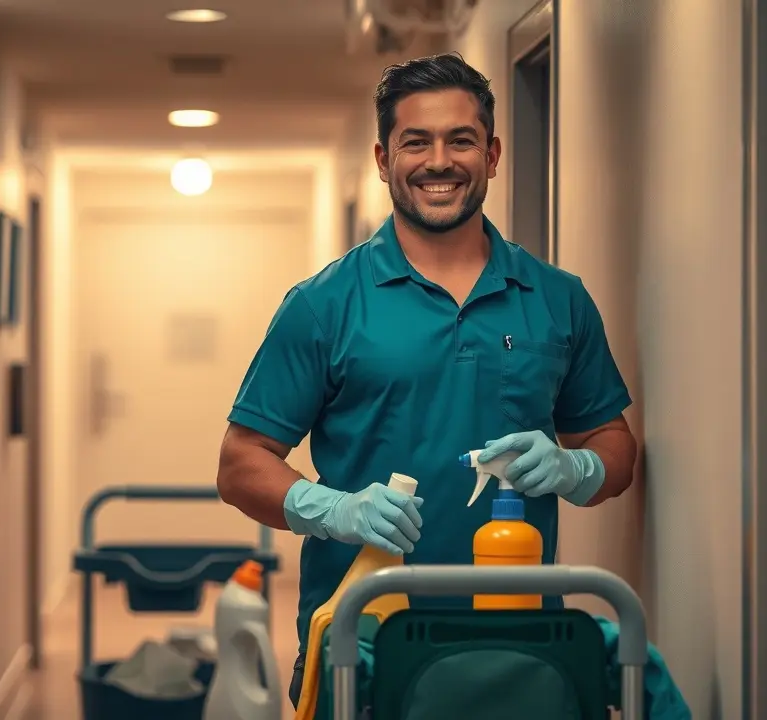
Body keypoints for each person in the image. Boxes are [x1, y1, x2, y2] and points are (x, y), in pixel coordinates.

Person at [214, 52, 639, 708]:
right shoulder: (324, 305)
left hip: (521, 647)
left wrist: (575, 468)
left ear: (492, 155)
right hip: (363, 647)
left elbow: (616, 447)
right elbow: (240, 464)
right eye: (416, 142)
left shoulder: (558, 299)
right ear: (383, 160)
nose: (439, 161)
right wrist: (333, 510)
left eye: (460, 140)